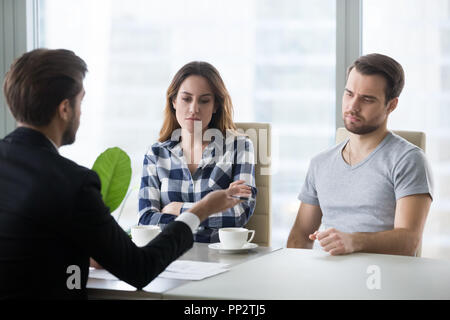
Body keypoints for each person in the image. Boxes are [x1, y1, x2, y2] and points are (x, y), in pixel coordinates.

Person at [0, 48, 251, 299]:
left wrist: (174, 209)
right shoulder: (73, 183)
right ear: (65, 109)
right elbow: (139, 267)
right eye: (81, 101)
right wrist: (202, 208)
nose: (81, 112)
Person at [287, 53, 433, 256]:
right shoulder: (320, 163)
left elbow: (409, 240)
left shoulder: (408, 160)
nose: (352, 106)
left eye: (367, 99)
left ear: (391, 105)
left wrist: (353, 241)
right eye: (349, 94)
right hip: (326, 279)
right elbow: (300, 236)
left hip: (382, 281)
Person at [138, 61, 257, 243]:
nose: (194, 108)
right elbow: (146, 220)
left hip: (220, 260)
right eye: (186, 99)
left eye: (204, 100)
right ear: (174, 101)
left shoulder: (240, 147)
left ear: (215, 105)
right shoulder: (156, 154)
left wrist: (176, 209)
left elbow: (237, 215)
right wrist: (209, 212)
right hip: (169, 260)